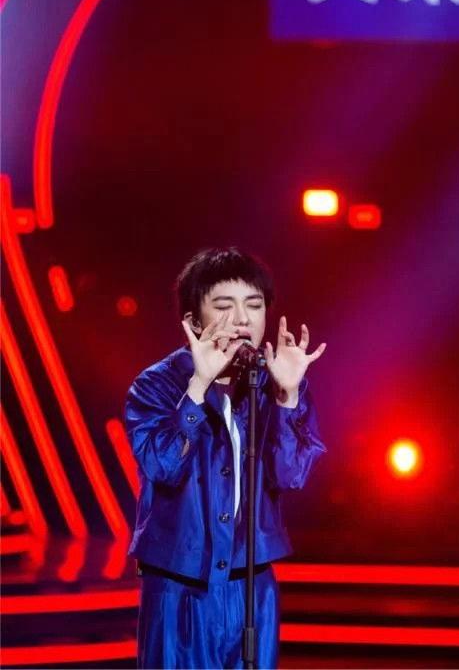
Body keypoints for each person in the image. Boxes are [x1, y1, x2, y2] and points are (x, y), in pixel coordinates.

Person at [125, 246, 327, 669]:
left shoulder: (273, 382)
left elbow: (291, 475)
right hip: (181, 586)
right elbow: (162, 465)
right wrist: (198, 387)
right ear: (193, 320)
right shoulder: (157, 385)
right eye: (223, 306)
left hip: (252, 585)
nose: (242, 319)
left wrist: (288, 397)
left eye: (254, 305)